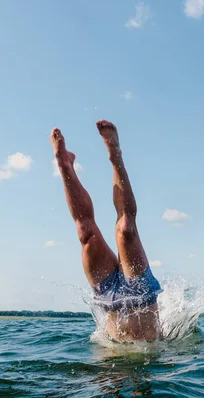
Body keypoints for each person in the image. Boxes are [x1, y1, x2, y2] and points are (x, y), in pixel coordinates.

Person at [50, 120, 162, 342]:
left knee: (125, 229)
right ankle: (64, 164)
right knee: (89, 234)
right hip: (139, 291)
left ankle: (114, 157)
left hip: (110, 294)